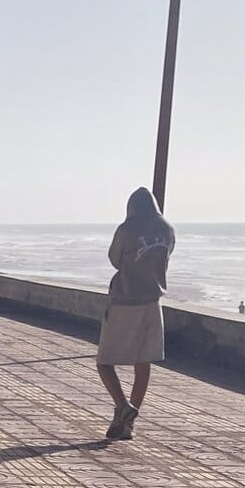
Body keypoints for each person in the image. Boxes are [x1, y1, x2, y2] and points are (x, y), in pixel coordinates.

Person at [96, 187, 174, 441]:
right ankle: (127, 424)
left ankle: (122, 406)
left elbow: (115, 259)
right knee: (143, 363)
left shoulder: (126, 229)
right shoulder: (167, 230)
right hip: (153, 303)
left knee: (105, 361)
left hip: (125, 301)